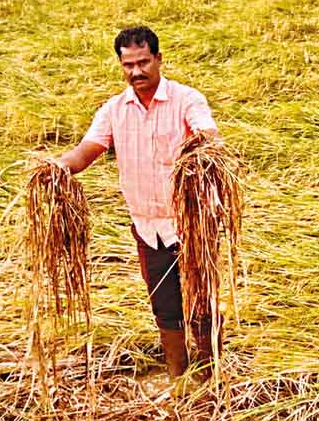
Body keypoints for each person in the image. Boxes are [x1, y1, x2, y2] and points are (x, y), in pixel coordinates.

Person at [55, 26, 224, 381]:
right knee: (164, 305)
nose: (136, 72)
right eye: (128, 64)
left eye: (143, 62)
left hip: (192, 222)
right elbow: (87, 151)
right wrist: (56, 168)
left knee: (202, 302)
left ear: (158, 59)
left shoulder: (186, 99)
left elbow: (209, 137)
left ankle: (212, 375)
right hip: (148, 226)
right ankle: (178, 375)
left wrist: (205, 148)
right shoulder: (114, 110)